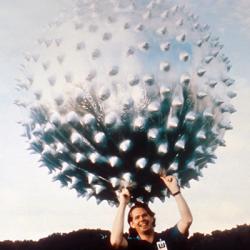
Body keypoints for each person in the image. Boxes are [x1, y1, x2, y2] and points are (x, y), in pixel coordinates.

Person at [110, 175, 193, 250]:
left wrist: (175, 191)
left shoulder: (167, 237)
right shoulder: (133, 245)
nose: (142, 219)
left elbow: (187, 220)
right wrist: (123, 204)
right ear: (132, 224)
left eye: (145, 215)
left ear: (152, 218)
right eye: (137, 217)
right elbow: (115, 242)